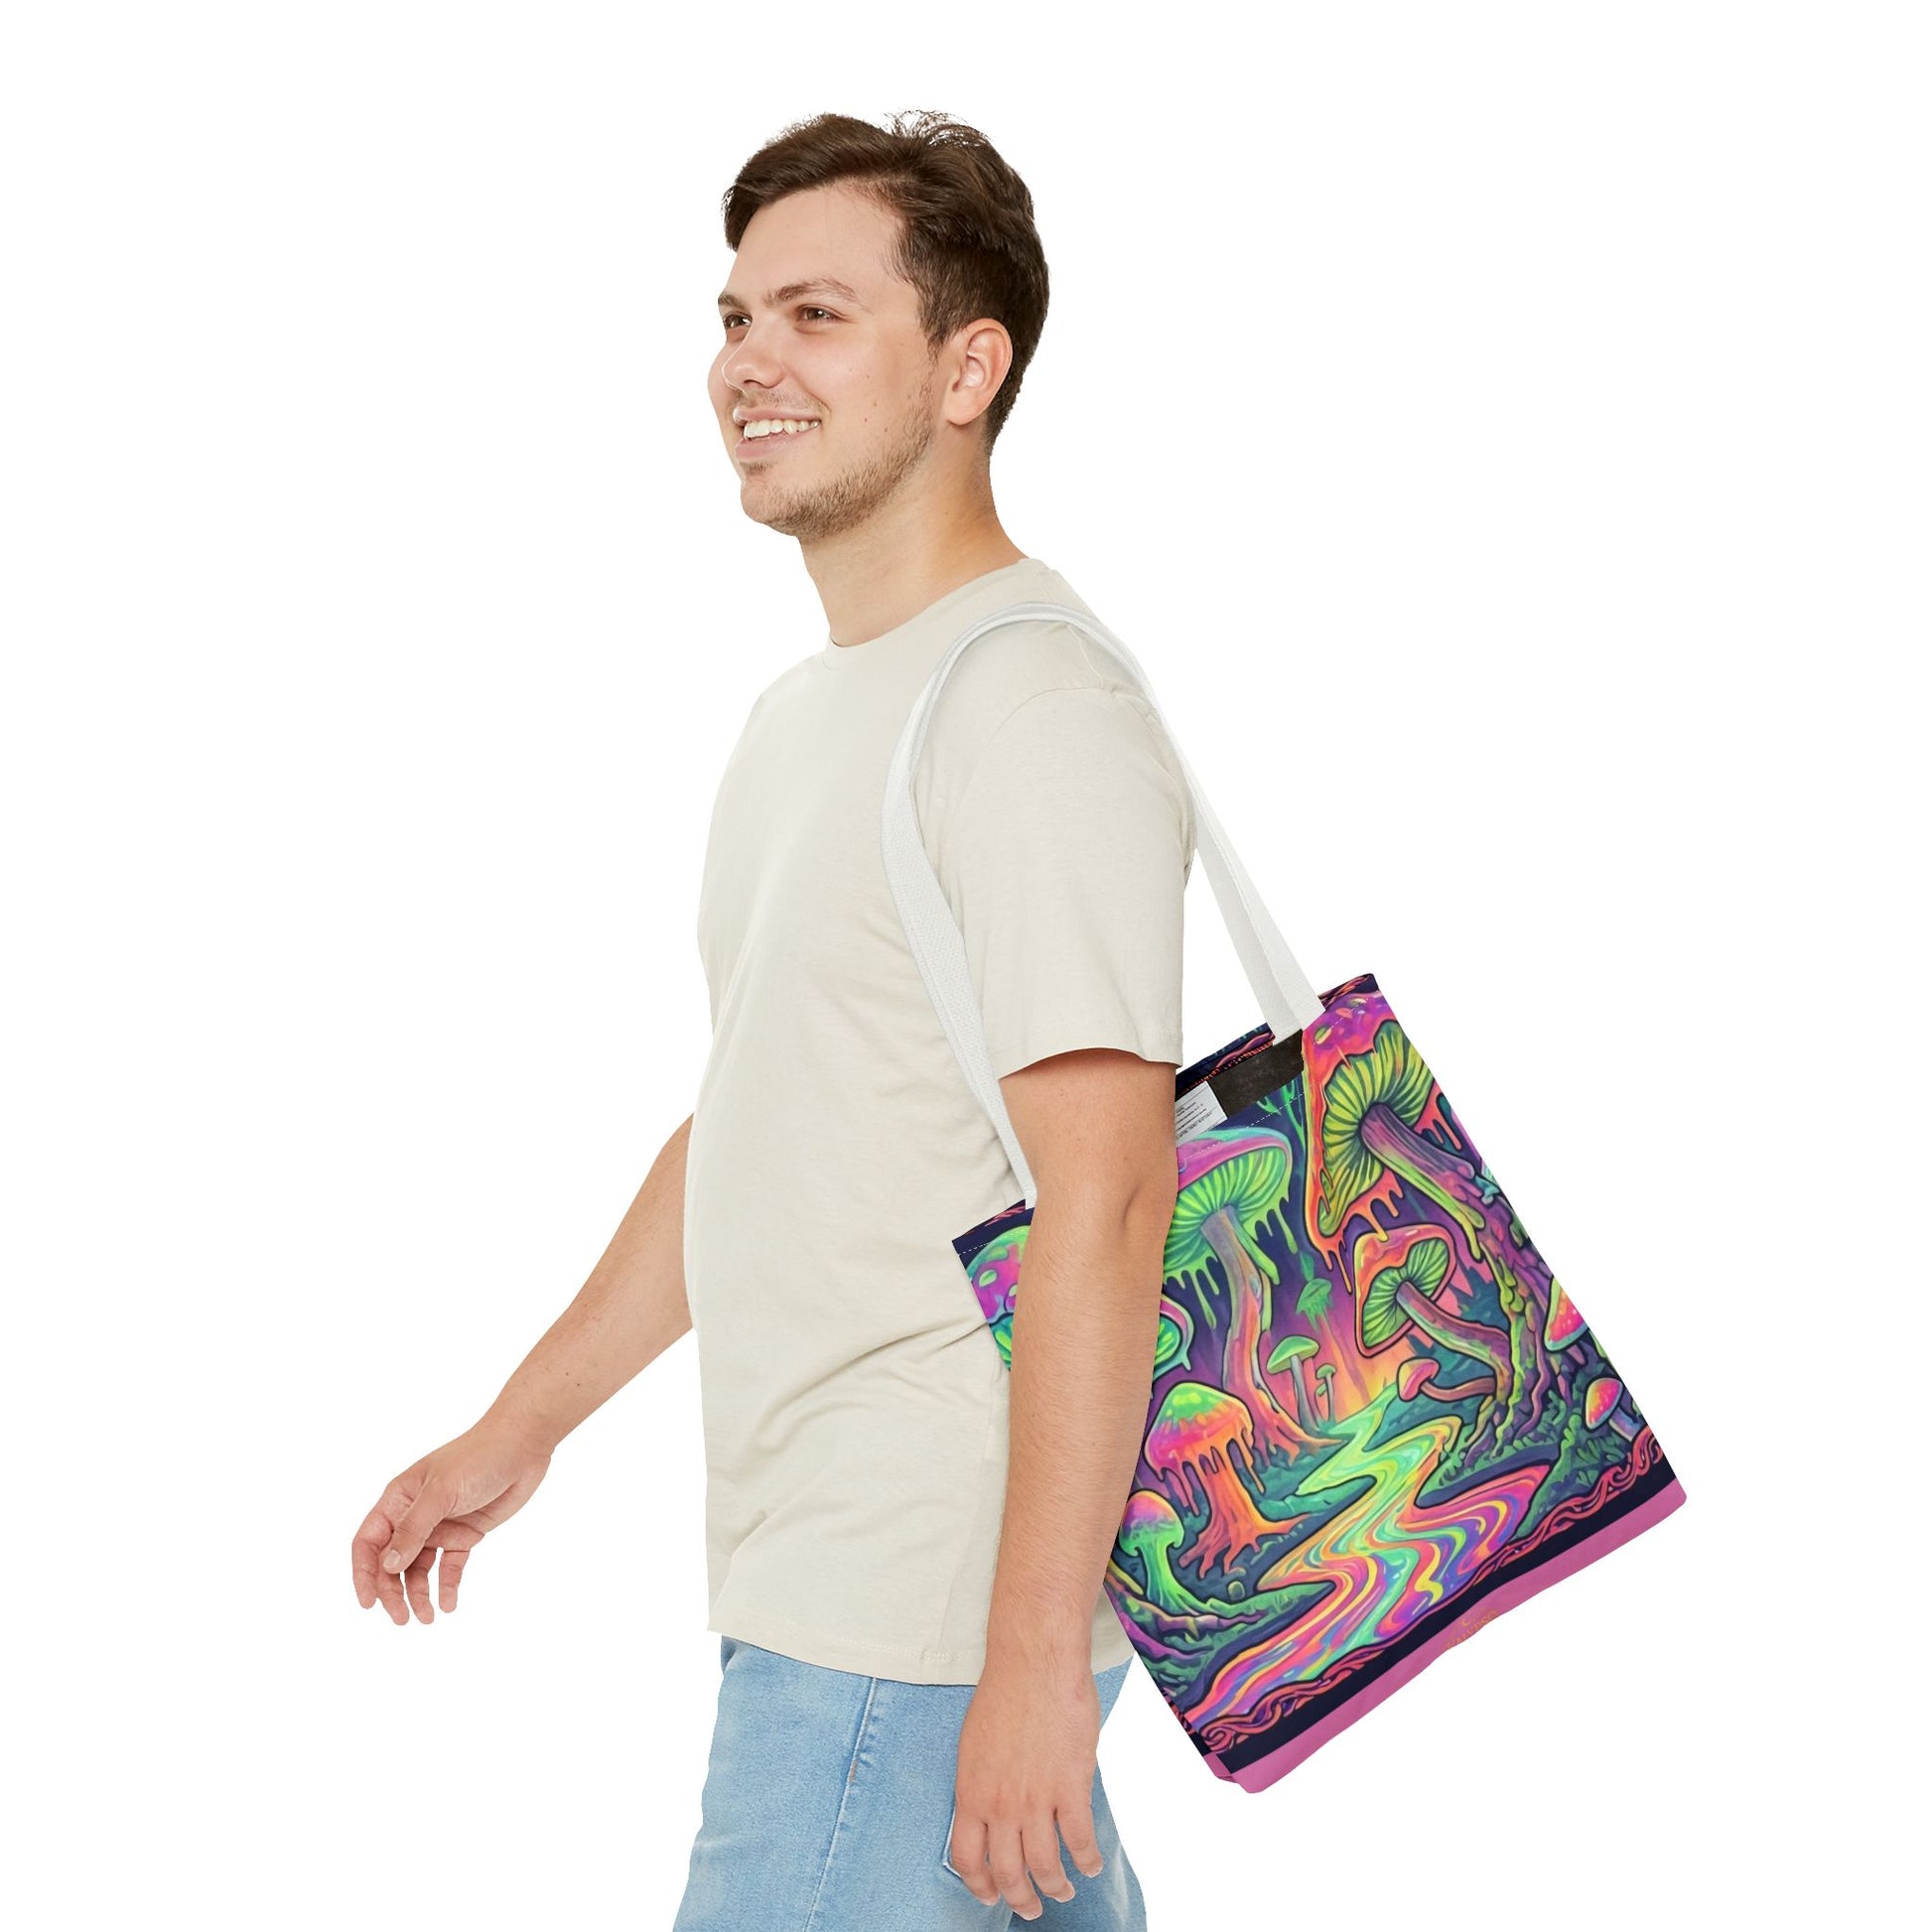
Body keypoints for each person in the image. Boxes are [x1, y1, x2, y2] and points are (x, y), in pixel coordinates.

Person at [349, 108, 1195, 1929]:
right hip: (835, 1590)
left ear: (967, 368)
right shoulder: (809, 716)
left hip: (907, 1622)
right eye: (735, 317)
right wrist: (519, 1429)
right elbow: (760, 1121)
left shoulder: (1026, 707)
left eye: (817, 315)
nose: (749, 363)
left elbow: (1112, 1194)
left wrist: (1029, 1668)